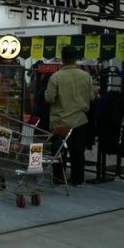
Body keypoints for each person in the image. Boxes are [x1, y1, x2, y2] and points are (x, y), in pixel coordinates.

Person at [45, 45, 95, 186]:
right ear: (76, 58)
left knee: (59, 152)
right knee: (78, 152)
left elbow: (49, 98)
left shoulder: (56, 77)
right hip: (79, 121)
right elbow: (92, 97)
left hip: (60, 122)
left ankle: (59, 179)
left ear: (62, 58)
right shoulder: (86, 76)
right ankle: (77, 179)